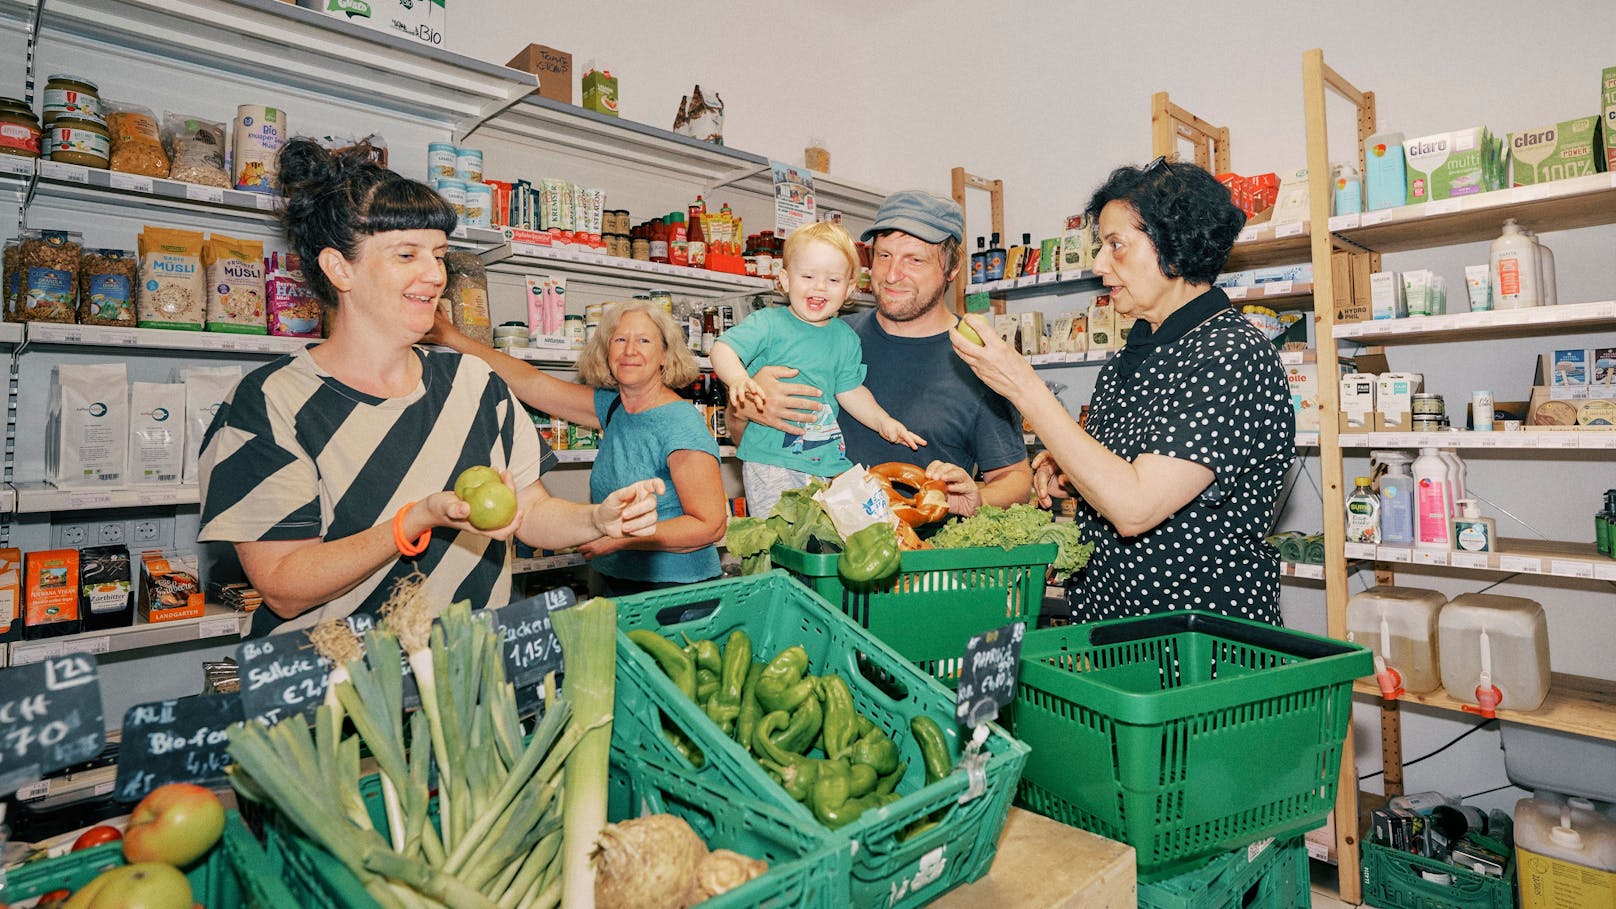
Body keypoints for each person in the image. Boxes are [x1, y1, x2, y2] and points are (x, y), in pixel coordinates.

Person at [197, 139, 662, 636]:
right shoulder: (270, 402)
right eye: (407, 254)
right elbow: (284, 588)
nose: (434, 275)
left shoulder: (474, 381)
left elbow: (530, 510)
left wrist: (597, 520)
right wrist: (413, 521)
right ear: (339, 268)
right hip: (339, 691)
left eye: (439, 255)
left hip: (466, 679)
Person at [951, 157, 1295, 624]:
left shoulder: (1232, 354)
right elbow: (1122, 473)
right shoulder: (1127, 360)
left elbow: (1134, 506)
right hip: (1111, 630)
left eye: (1117, 246)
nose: (1098, 264)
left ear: (1175, 247)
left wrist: (1024, 386)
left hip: (1196, 643)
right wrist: (1069, 466)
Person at [729, 191, 1031, 517]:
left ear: (952, 267)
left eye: (914, 260)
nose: (891, 275)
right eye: (884, 256)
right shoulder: (826, 335)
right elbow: (743, 435)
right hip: (812, 555)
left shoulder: (978, 361)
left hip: (919, 560)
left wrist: (978, 497)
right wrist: (746, 406)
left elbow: (1015, 478)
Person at [429, 300, 727, 597]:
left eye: (644, 340)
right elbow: (531, 382)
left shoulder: (680, 421)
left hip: (677, 590)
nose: (629, 350)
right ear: (607, 351)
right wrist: (450, 337)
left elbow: (709, 525)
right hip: (612, 578)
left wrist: (622, 539)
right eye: (619, 339)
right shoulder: (614, 407)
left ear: (664, 354)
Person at [709, 220, 926, 517]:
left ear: (850, 289)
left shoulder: (846, 338)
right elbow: (722, 348)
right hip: (772, 461)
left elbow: (850, 391)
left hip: (826, 464)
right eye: (808, 276)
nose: (819, 287)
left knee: (820, 545)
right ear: (785, 280)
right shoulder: (768, 323)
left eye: (833, 280)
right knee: (778, 538)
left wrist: (883, 422)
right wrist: (738, 379)